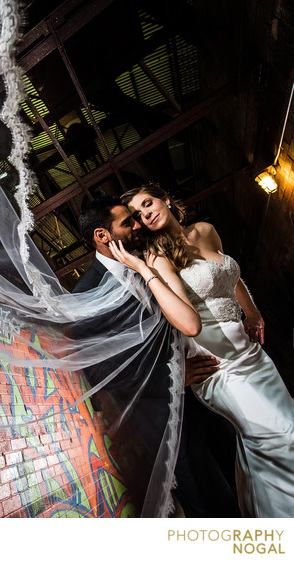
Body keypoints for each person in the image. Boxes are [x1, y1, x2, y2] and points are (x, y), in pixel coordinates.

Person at [118, 184, 294, 517]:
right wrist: (145, 270)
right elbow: (183, 321)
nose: (146, 213)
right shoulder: (158, 256)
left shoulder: (206, 231)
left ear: (165, 198)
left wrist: (253, 312)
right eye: (138, 214)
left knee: (268, 442)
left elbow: (230, 277)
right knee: (281, 432)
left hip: (252, 355)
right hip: (217, 365)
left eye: (148, 203)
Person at [75, 196, 240, 517]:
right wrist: (175, 375)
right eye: (127, 222)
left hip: (207, 393)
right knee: (212, 505)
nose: (137, 225)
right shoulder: (85, 294)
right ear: (102, 235)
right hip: (163, 416)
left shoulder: (147, 262)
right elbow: (103, 370)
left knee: (238, 477)